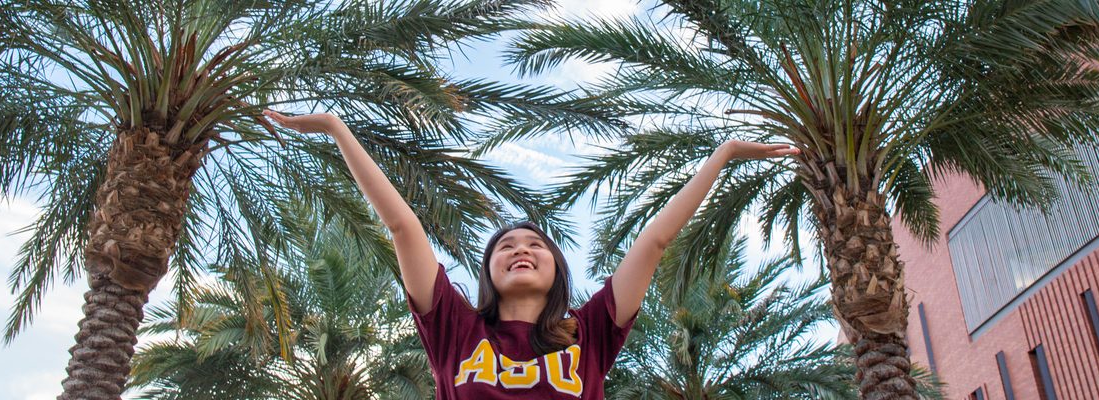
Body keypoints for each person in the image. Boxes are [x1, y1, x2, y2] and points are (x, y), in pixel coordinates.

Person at [265, 110, 798, 399]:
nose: (519, 250)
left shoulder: (590, 333)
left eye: (534, 245)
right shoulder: (453, 327)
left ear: (556, 270)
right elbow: (403, 226)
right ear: (488, 271)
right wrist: (337, 127)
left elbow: (654, 241)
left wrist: (724, 154)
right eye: (505, 247)